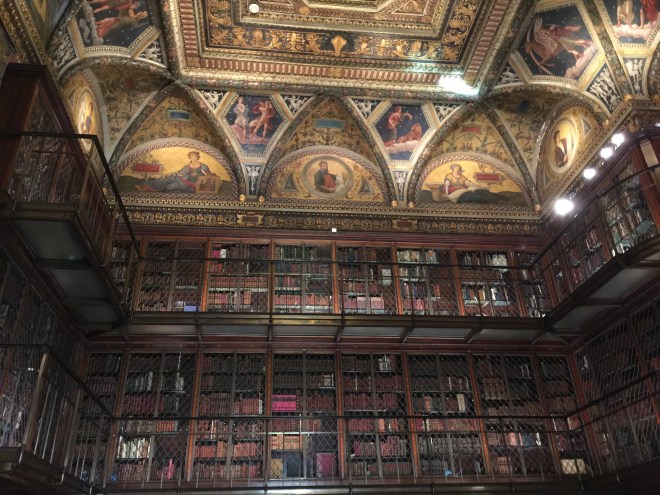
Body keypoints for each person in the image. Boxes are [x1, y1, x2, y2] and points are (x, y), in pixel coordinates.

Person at [135, 151, 215, 193]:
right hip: (182, 181)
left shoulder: (203, 166)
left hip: (190, 185)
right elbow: (179, 172)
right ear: (189, 158)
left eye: (195, 157)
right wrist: (170, 174)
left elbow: (210, 177)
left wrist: (206, 174)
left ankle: (148, 186)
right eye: (191, 157)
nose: (193, 158)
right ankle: (148, 186)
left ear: (198, 157)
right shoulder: (187, 166)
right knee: (168, 182)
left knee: (169, 183)